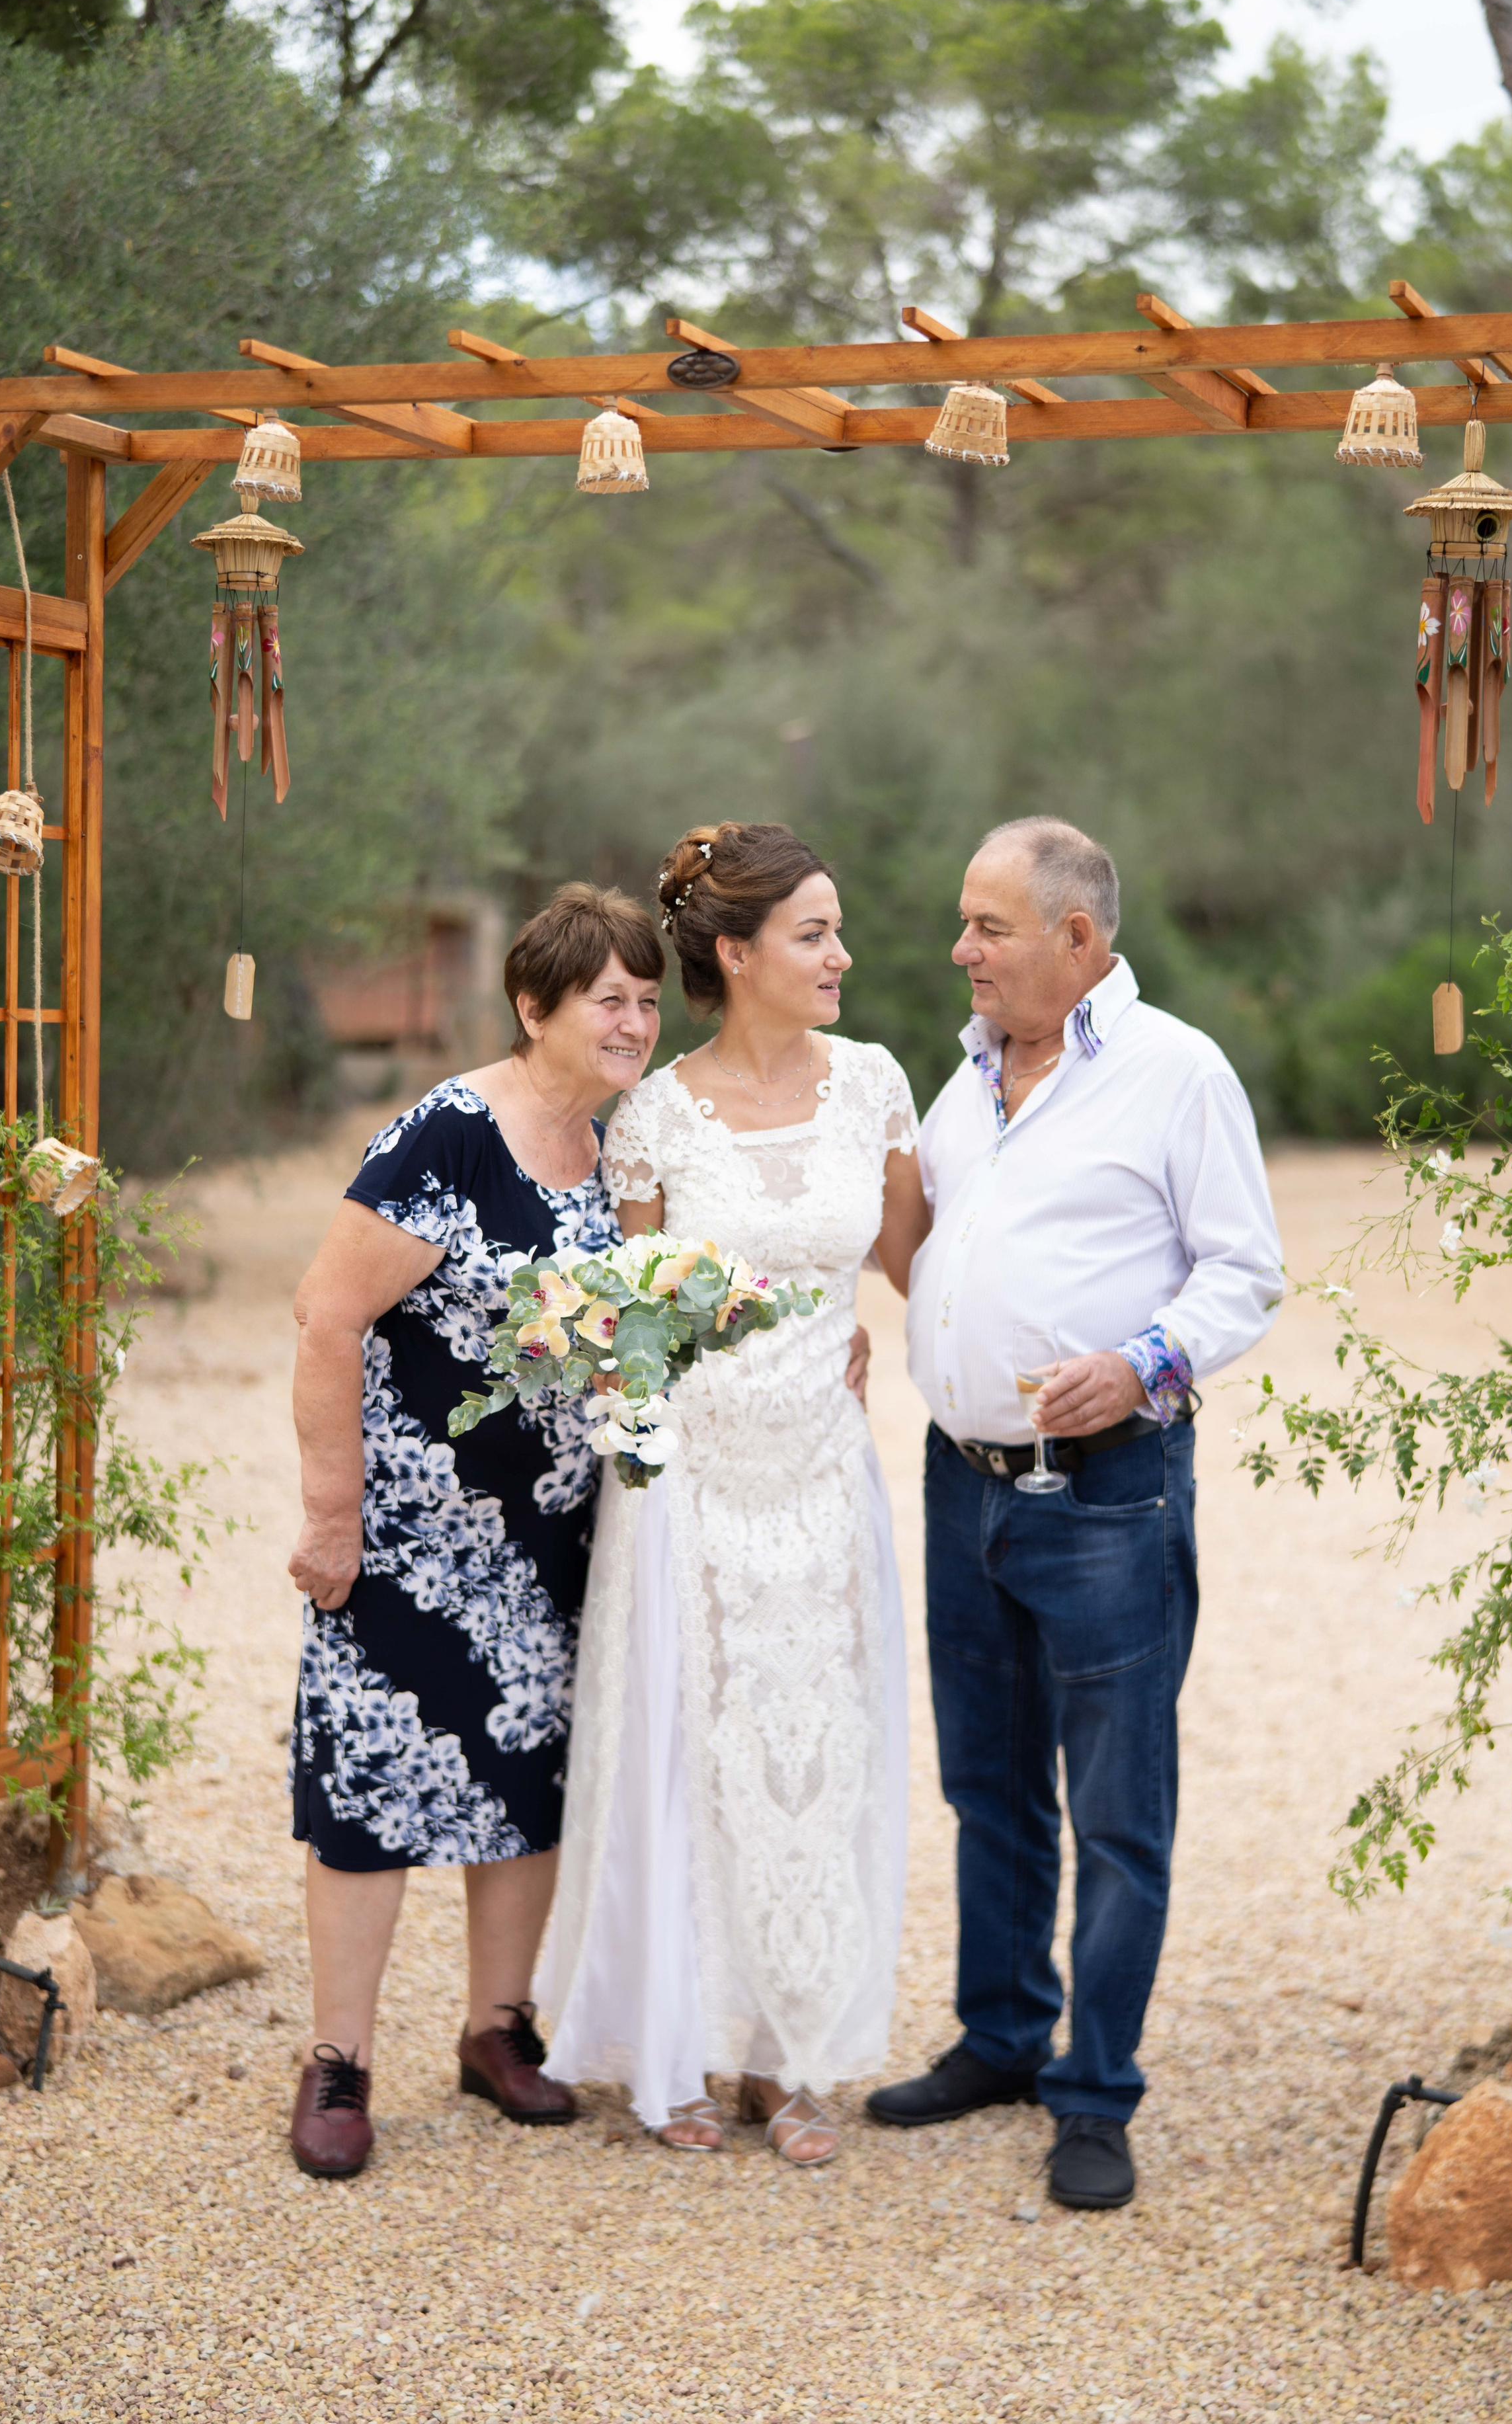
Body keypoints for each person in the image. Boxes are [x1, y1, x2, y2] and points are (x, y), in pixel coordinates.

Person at [867, 817, 1283, 2212]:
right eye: (964, 922)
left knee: (1116, 1810)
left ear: (1078, 938)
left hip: (1107, 1493)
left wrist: (1143, 1363)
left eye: (987, 926)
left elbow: (1244, 1271)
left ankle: (1094, 2092)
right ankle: (1001, 2038)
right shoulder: (965, 1077)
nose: (960, 950)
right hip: (962, 1481)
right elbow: (930, 1255)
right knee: (987, 1786)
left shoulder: (1177, 1073)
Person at [539, 821, 931, 2165]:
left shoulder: (875, 1085)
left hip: (822, 1469)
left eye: (836, 930)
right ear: (738, 952)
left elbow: (918, 1262)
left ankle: (786, 2056)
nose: (841, 955)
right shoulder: (654, 1117)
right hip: (691, 1481)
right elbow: (630, 1321)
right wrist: (641, 1464)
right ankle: (681, 2048)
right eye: (815, 933)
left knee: (817, 1752)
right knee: (688, 1757)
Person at [284, 883, 665, 2179]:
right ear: (533, 1005)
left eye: (647, 1001)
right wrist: (332, 1513)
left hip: (553, 1543)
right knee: (371, 1790)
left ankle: (496, 2029)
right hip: (405, 1541)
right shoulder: (446, 1136)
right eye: (608, 999)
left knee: (525, 1785)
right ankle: (338, 2061)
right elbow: (327, 1314)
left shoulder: (618, 1156)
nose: (634, 1023)